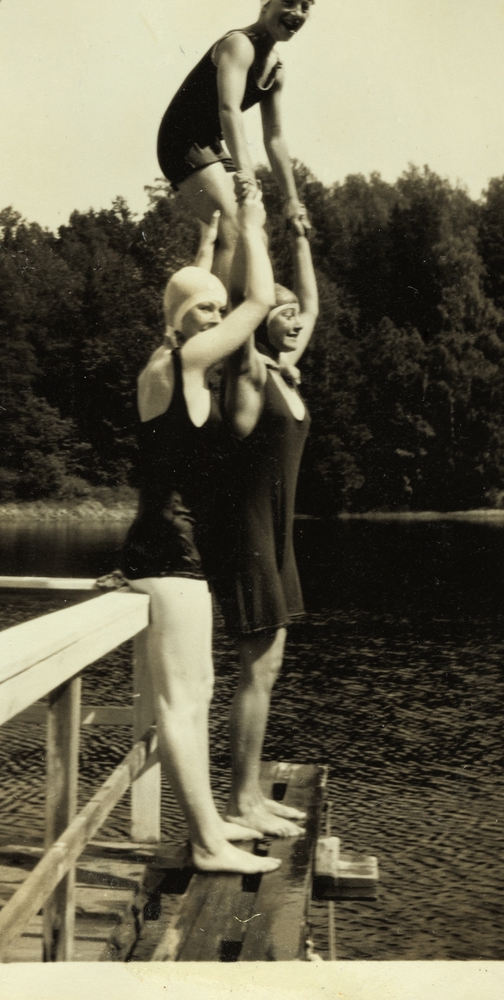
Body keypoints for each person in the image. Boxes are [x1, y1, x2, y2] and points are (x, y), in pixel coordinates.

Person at [119, 189, 282, 874]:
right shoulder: (182, 364)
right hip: (172, 555)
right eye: (203, 312)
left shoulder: (163, 362)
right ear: (183, 322)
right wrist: (253, 229)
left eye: (214, 309)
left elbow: (191, 298)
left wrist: (210, 248)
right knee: (183, 704)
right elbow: (257, 304)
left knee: (197, 694)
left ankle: (212, 824)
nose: (216, 319)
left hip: (165, 552)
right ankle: (208, 843)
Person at [210, 211, 319, 837]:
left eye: (293, 314)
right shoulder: (250, 371)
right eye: (280, 312)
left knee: (270, 666)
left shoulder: (287, 371)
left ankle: (249, 792)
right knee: (256, 666)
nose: (293, 317)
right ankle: (239, 802)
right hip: (246, 533)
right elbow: (242, 303)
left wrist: (301, 239)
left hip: (277, 536)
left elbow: (313, 305)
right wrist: (250, 229)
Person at [157, 0, 315, 288]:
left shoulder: (277, 71)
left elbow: (275, 139)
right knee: (231, 226)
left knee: (255, 232)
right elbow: (229, 110)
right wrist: (247, 175)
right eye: (288, 2)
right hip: (182, 138)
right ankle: (219, 324)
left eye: (305, 6)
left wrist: (292, 201)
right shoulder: (239, 44)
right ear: (265, 4)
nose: (296, 13)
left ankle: (239, 323)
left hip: (211, 143)